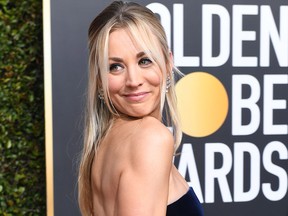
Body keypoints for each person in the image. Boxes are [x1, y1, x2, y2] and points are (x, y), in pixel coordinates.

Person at [78, 1, 204, 215]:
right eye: (115, 67)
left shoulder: (105, 142)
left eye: (144, 61)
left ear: (167, 63)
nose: (133, 80)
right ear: (100, 79)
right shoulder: (151, 139)